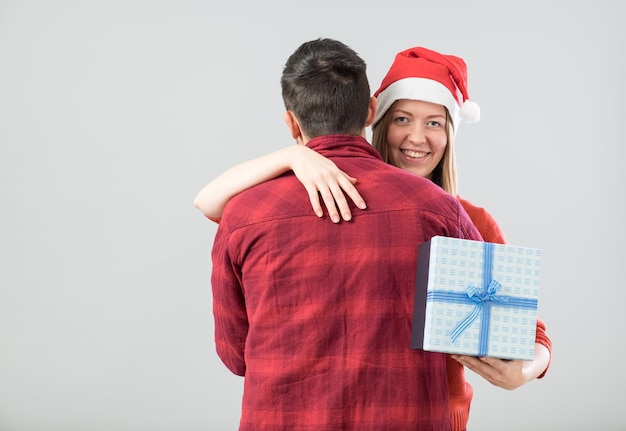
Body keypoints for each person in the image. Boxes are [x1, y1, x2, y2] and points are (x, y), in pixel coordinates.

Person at [196, 45, 552, 431]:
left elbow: (236, 357)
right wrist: (292, 157)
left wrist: (526, 367)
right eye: (403, 118)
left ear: (291, 123)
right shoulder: (443, 212)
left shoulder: (246, 212)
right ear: (372, 112)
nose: (416, 137)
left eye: (434, 122)